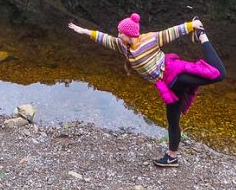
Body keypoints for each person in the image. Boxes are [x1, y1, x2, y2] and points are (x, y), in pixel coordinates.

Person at [68, 13, 226, 167]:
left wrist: (192, 26)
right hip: (168, 86)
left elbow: (170, 32)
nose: (118, 35)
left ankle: (202, 36)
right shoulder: (124, 46)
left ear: (128, 34)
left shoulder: (149, 39)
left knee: (217, 74)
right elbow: (105, 39)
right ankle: (172, 157)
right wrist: (85, 31)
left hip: (175, 73)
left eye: (120, 32)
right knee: (172, 120)